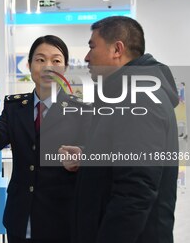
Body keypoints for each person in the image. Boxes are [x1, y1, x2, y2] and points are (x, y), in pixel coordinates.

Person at [0, 35, 91, 243]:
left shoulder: (80, 110)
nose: (47, 67)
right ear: (29, 65)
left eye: (56, 60)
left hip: (62, 221)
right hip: (20, 218)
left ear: (65, 68)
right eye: (40, 60)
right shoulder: (15, 107)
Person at [61, 16, 179, 243]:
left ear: (117, 49)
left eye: (92, 47)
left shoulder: (139, 98)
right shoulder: (128, 94)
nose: (87, 57)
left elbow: (136, 190)